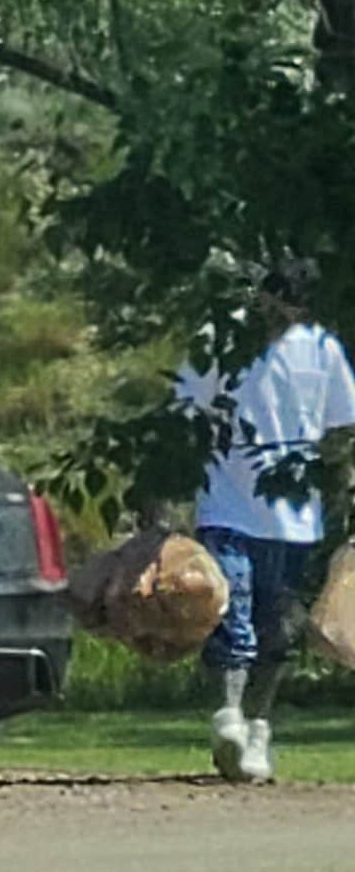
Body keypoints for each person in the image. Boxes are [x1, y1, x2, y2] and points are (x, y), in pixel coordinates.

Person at [177, 255, 355, 785]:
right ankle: (227, 716)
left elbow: (343, 424)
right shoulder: (222, 338)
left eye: (293, 303)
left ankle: (258, 726)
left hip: (293, 515)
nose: (281, 312)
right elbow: (186, 407)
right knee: (230, 608)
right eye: (274, 298)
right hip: (226, 502)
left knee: (277, 627)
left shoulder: (321, 350)